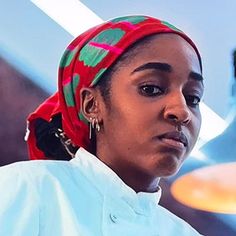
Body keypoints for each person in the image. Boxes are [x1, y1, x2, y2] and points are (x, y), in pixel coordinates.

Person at [0, 15, 204, 235]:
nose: (182, 112)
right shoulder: (29, 188)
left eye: (192, 98)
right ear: (92, 105)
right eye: (151, 88)